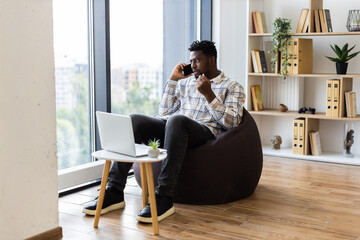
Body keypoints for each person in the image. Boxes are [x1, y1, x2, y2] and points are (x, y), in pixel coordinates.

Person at [83, 40, 245, 223]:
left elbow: (232, 122)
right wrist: (173, 80)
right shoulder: (187, 83)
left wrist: (209, 94)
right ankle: (114, 190)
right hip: (175, 128)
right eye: (191, 61)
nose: (192, 66)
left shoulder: (232, 87)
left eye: (197, 61)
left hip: (204, 131)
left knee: (177, 121)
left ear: (212, 60)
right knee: (135, 120)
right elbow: (164, 113)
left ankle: (164, 197)